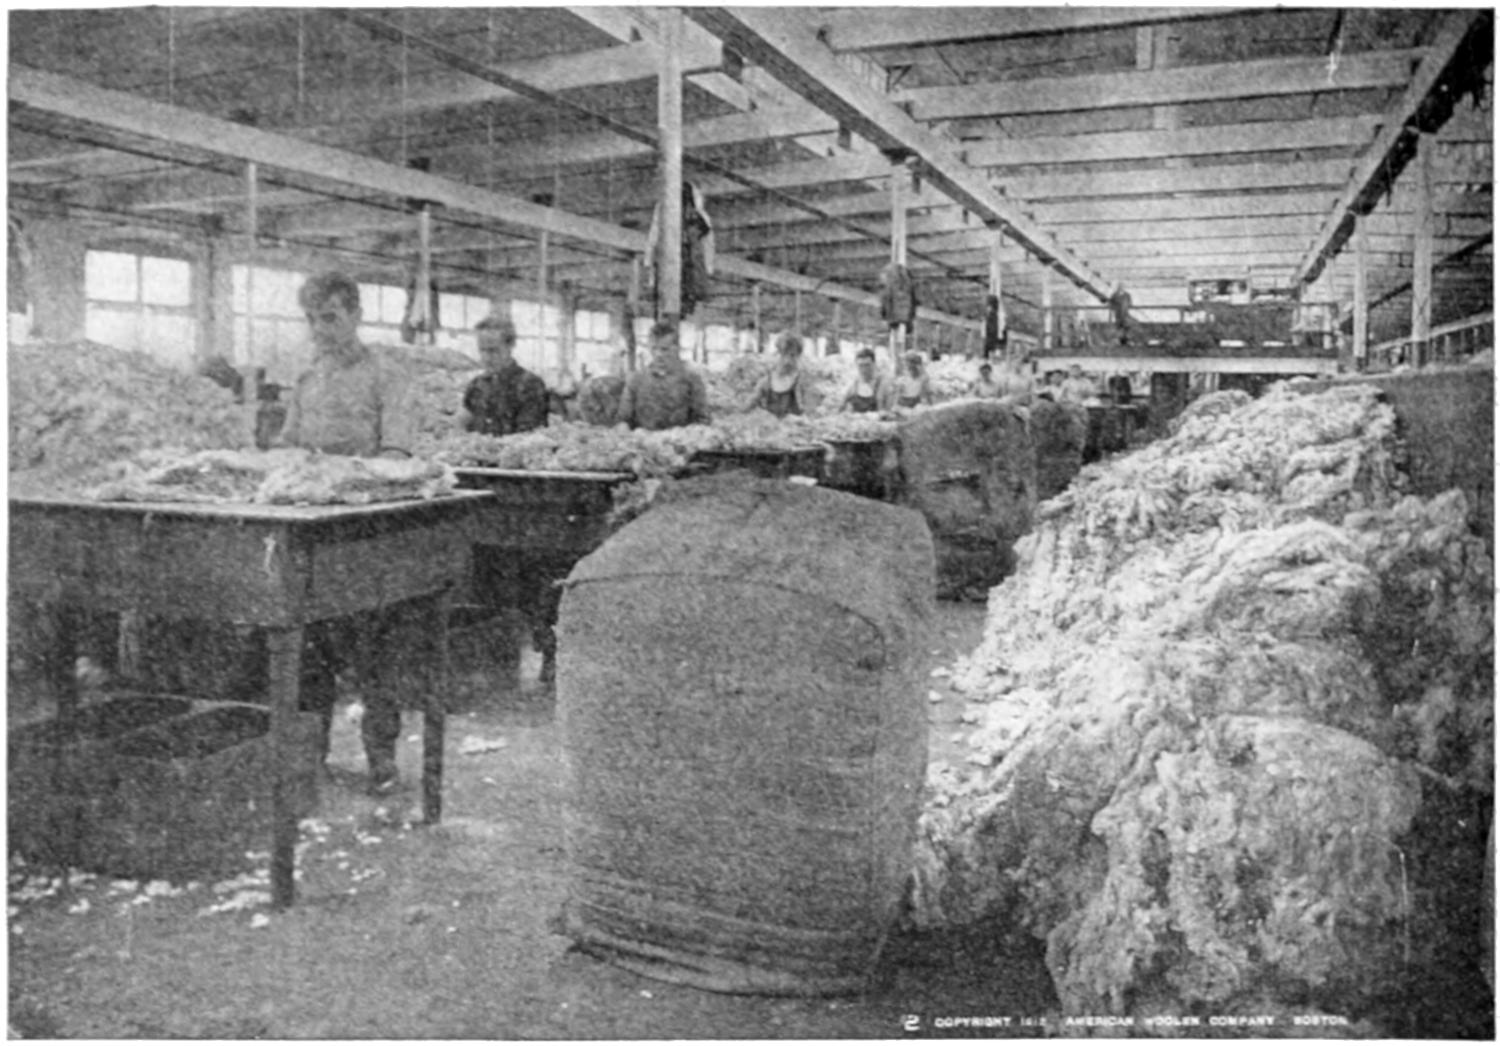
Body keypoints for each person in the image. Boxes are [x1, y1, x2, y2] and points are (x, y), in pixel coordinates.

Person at [277, 270, 420, 795]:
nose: (320, 329)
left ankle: (380, 758)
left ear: (356, 315)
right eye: (312, 319)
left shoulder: (388, 376)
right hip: (315, 535)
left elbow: (398, 454)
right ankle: (311, 756)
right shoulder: (307, 378)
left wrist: (347, 477)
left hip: (368, 536)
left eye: (331, 318)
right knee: (312, 650)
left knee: (375, 653)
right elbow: (289, 445)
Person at [460, 311, 550, 436]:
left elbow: (530, 438)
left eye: (493, 351)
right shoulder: (476, 386)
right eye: (482, 350)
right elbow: (461, 424)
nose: (486, 358)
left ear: (510, 345)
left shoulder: (530, 385)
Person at [616, 319, 710, 430]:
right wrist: (624, 429)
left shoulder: (691, 380)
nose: (658, 354)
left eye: (664, 349)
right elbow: (623, 420)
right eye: (654, 348)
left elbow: (702, 421)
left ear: (676, 349)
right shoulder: (636, 380)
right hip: (643, 439)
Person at [747, 332, 814, 417]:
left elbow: (811, 413)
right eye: (784, 354)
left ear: (798, 356)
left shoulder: (803, 382)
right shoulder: (766, 382)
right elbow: (748, 406)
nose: (787, 361)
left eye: (792, 355)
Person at [839, 347, 894, 413]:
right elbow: (840, 408)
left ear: (874, 364)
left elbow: (890, 411)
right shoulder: (853, 385)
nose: (864, 369)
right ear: (856, 365)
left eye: (867, 365)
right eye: (860, 365)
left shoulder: (883, 384)